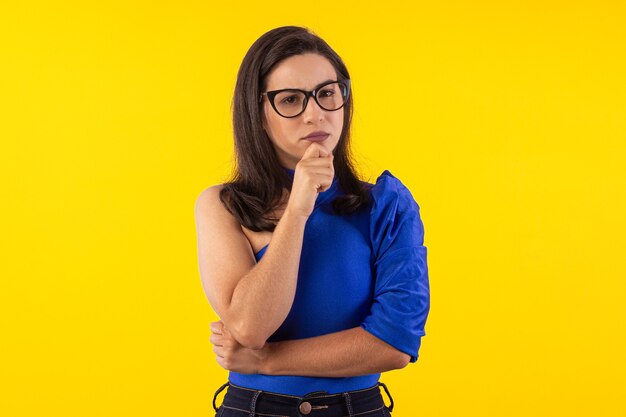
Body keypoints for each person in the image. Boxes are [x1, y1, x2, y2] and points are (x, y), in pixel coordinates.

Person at [194, 25, 430, 417]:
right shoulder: (224, 205)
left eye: (326, 93)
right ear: (258, 112)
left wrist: (267, 362)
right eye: (290, 99)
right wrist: (299, 208)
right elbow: (251, 328)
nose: (315, 113)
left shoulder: (387, 205)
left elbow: (394, 344)